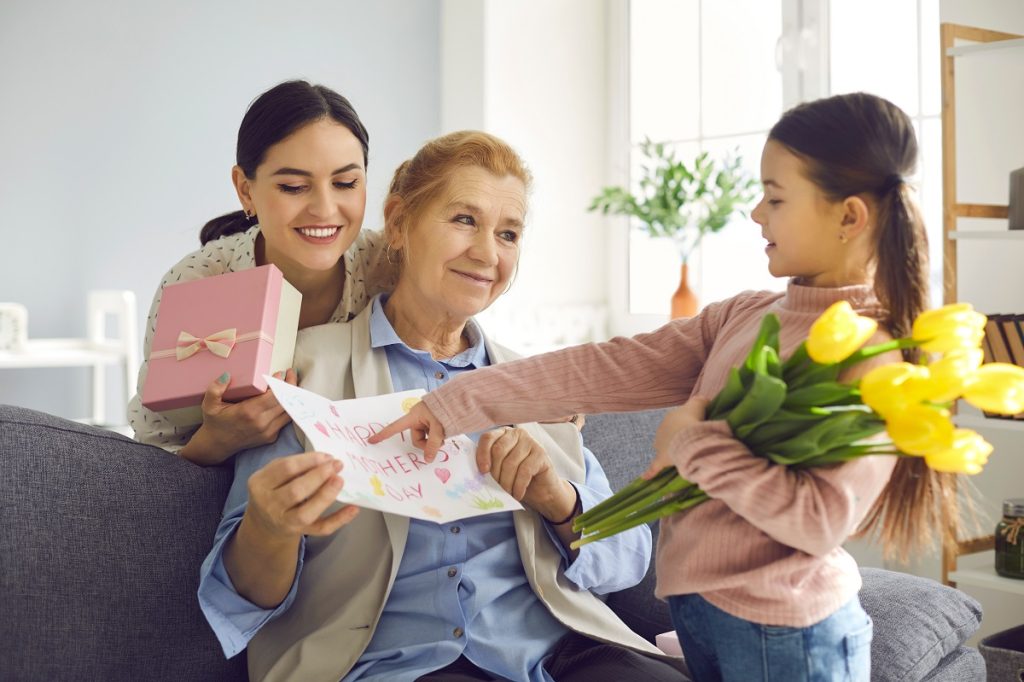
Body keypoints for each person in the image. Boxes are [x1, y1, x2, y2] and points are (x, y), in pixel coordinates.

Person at [373, 93, 961, 682]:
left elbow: (818, 521)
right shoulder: (745, 316)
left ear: (848, 217)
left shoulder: (875, 361)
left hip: (788, 637)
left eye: (776, 198)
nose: (756, 213)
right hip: (704, 621)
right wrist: (453, 402)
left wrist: (693, 445)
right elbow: (605, 368)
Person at [197, 131, 690, 682]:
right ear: (400, 222)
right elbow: (240, 595)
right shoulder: (303, 374)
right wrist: (270, 526)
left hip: (563, 656)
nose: (487, 253)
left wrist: (558, 501)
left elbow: (628, 560)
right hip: (388, 664)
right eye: (463, 221)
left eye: (508, 233)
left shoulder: (537, 385)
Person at [128, 80, 396, 464]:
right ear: (245, 190)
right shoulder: (199, 281)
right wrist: (220, 440)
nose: (324, 208)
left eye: (345, 183)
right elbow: (150, 455)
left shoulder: (388, 267)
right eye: (293, 186)